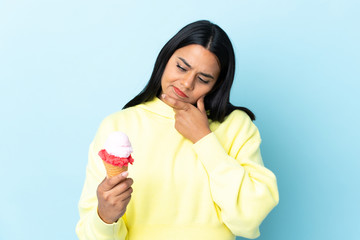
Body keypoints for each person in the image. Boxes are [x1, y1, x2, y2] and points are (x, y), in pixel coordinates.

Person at [76, 20, 279, 240]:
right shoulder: (118, 125)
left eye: (203, 79)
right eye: (181, 67)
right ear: (166, 58)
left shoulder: (236, 126)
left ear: (216, 85)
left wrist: (204, 138)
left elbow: (250, 217)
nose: (186, 83)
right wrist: (105, 218)